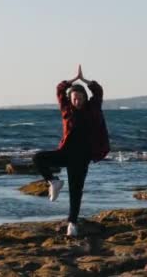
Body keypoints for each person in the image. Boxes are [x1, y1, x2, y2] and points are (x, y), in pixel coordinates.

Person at [32, 65, 110, 236]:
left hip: (82, 157)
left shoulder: (93, 108)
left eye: (80, 98)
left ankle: (72, 224)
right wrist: (72, 80)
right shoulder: (66, 109)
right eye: (74, 98)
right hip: (65, 153)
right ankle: (54, 182)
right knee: (38, 158)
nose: (77, 101)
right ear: (70, 99)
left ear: (84, 98)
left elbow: (98, 91)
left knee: (76, 191)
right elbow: (60, 89)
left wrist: (84, 81)